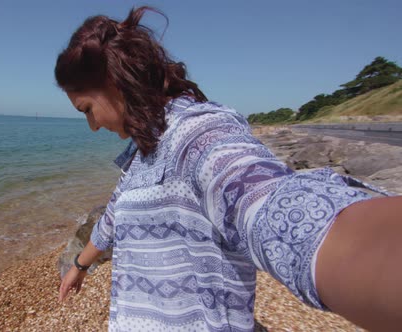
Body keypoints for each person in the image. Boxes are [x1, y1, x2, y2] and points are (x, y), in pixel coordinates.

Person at [55, 6, 402, 332]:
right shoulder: (144, 146)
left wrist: (351, 247)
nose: (93, 125)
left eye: (87, 108)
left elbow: (264, 202)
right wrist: (80, 266)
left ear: (115, 81)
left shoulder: (197, 135)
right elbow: (115, 212)